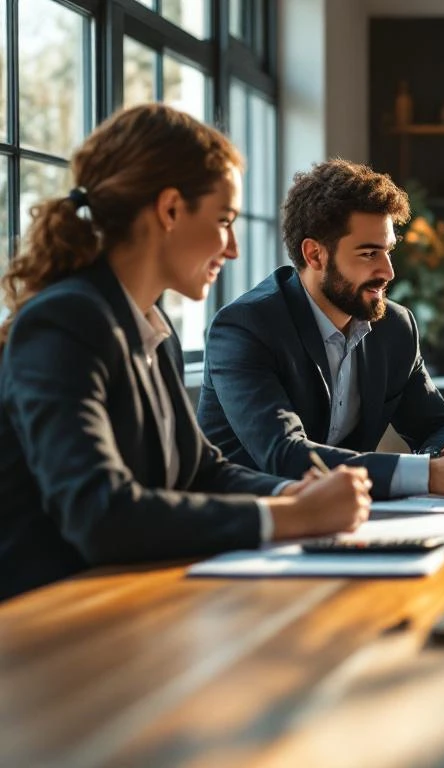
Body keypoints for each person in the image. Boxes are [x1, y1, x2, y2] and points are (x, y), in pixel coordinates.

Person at [0, 104, 371, 601]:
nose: (233, 247)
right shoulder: (65, 321)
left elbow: (201, 472)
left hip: (126, 605)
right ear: (170, 209)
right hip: (49, 624)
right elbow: (98, 513)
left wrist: (293, 494)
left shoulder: (153, 328)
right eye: (224, 220)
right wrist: (290, 516)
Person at [197, 159, 444, 499]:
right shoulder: (245, 327)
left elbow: (435, 424)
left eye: (388, 251)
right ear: (315, 255)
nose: (388, 271)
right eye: (369, 253)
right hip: (248, 528)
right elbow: (285, 455)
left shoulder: (394, 328)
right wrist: (431, 474)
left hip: (344, 523)